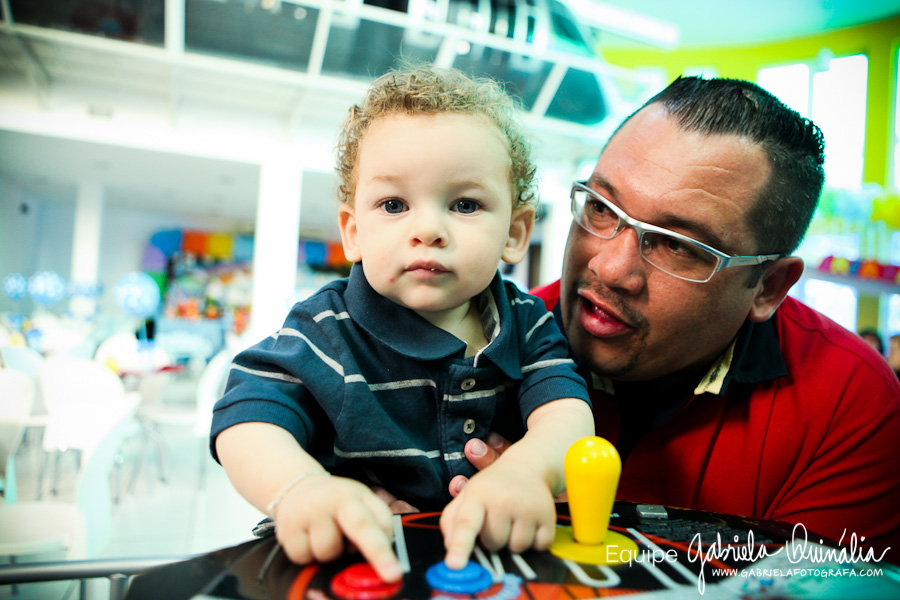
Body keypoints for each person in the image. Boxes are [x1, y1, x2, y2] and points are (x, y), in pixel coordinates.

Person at [445, 76, 900, 564]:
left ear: (768, 286)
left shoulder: (850, 404)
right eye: (601, 208)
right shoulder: (473, 343)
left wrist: (572, 528)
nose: (610, 268)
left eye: (677, 245)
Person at [210, 64, 594, 583]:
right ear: (353, 232)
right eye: (394, 204)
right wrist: (300, 488)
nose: (428, 229)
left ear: (515, 233)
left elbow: (567, 415)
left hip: (480, 566)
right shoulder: (327, 330)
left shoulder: (526, 324)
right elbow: (247, 419)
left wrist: (527, 472)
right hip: (345, 561)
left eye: (464, 204)